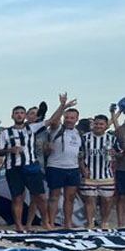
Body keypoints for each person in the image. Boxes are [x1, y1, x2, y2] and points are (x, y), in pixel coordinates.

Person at [0, 96, 70, 231]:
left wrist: (62, 106)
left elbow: (52, 120)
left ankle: (45, 222)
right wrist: (9, 150)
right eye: (16, 113)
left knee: (40, 196)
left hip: (31, 166)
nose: (19, 115)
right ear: (12, 115)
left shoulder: (32, 128)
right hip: (13, 168)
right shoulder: (6, 133)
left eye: (22, 113)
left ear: (25, 116)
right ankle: (19, 225)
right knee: (17, 198)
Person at [45, 95, 82, 228]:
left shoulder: (78, 133)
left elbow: (79, 153)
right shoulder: (58, 128)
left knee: (70, 198)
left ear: (77, 119)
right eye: (67, 117)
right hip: (56, 167)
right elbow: (53, 120)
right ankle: (51, 222)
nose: (69, 120)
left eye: (72, 118)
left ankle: (67, 223)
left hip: (73, 168)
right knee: (54, 197)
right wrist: (63, 106)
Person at [80, 115, 120, 227]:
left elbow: (119, 153)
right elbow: (80, 155)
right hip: (89, 175)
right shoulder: (85, 137)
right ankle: (90, 222)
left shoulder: (112, 138)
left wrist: (115, 153)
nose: (98, 126)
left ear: (106, 126)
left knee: (107, 200)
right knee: (89, 200)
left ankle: (104, 222)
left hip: (106, 174)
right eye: (96, 124)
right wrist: (83, 169)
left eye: (101, 124)